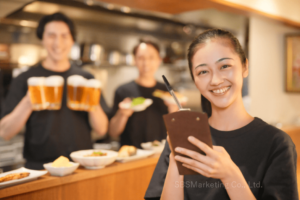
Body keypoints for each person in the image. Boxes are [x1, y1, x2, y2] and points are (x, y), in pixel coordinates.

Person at [145, 29, 298, 200]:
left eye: (224, 66)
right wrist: (175, 160)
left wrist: (230, 175)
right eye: (203, 72)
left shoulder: (276, 143)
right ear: (195, 80)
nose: (216, 80)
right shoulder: (185, 138)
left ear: (245, 67)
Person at [0, 12, 109, 170]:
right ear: (42, 39)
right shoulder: (25, 79)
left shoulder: (86, 78)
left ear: (72, 40)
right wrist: (29, 101)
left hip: (80, 166)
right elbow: (5, 132)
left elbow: (102, 129)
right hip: (39, 168)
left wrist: (92, 102)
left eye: (64, 36)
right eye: (51, 35)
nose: (58, 42)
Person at [109, 40, 178, 148]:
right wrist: (123, 114)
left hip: (161, 154)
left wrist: (173, 109)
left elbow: (178, 131)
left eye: (151, 58)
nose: (146, 63)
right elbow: (113, 132)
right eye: (141, 58)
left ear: (159, 60)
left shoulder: (167, 91)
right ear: (134, 60)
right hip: (133, 156)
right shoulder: (123, 90)